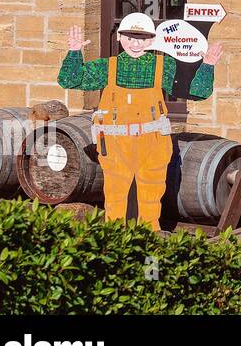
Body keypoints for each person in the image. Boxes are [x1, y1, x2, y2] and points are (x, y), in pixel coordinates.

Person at [57, 12, 223, 226]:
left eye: (143, 38)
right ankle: (116, 248)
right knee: (115, 200)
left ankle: (149, 250)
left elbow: (196, 92)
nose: (136, 44)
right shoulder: (107, 67)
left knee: (151, 201)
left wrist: (207, 65)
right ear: (119, 38)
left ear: (153, 40)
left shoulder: (164, 66)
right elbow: (69, 80)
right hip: (116, 146)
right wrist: (74, 52)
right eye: (130, 37)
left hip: (153, 144)